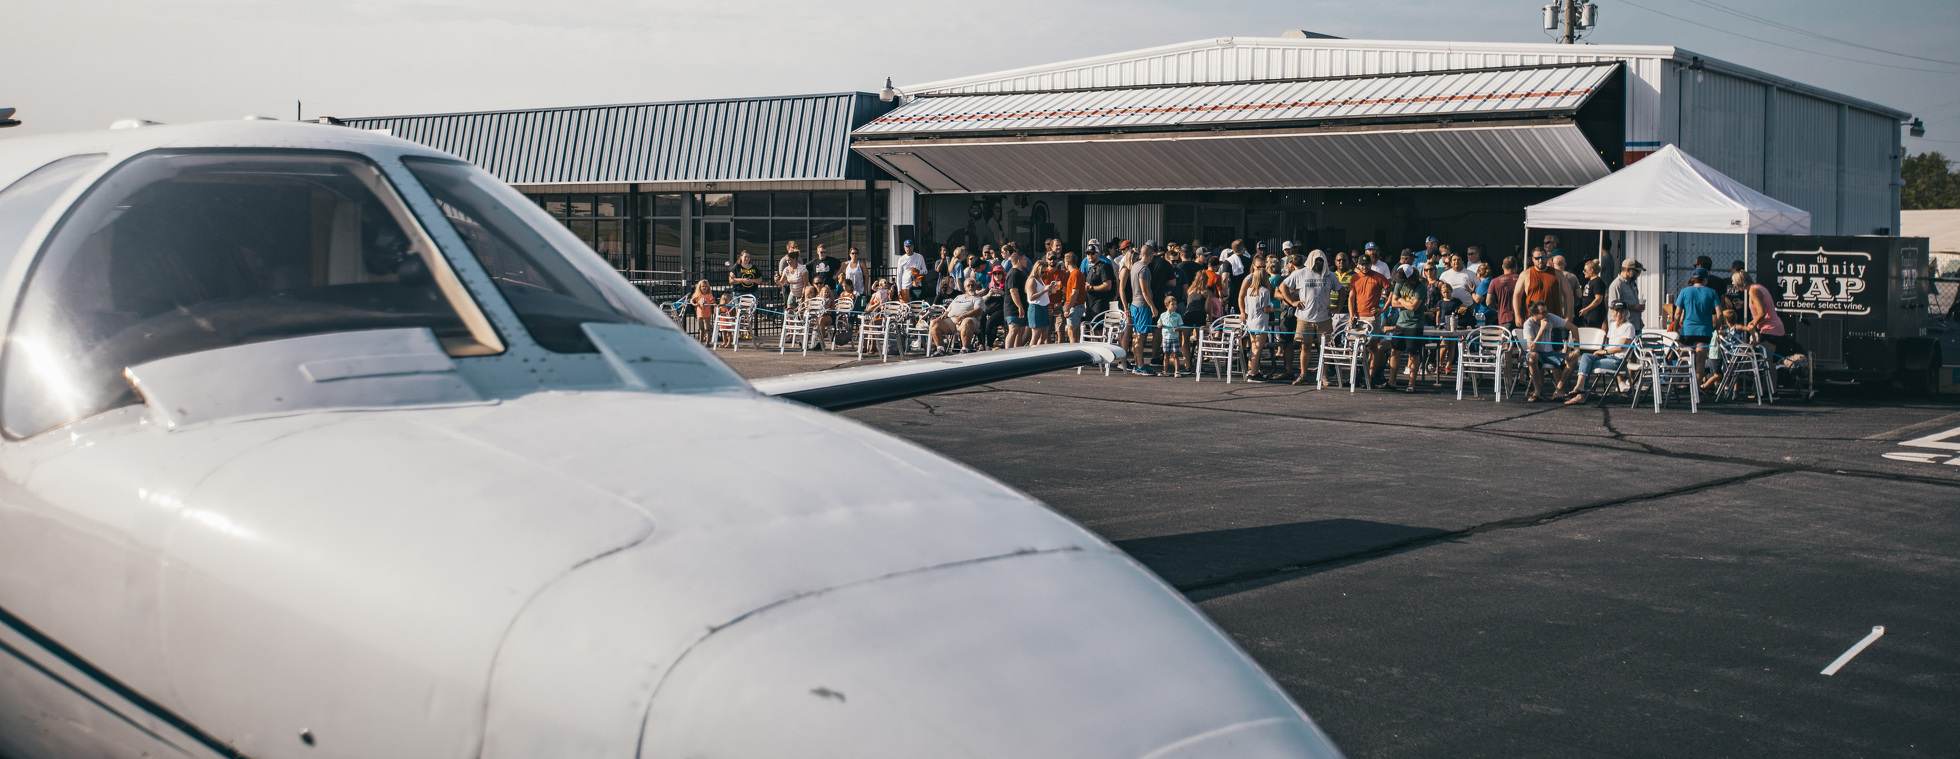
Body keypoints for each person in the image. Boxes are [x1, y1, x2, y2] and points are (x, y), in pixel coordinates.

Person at [1281, 249, 1338, 386]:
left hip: (1324, 317)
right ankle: (1303, 375)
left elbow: (1341, 290)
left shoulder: (1330, 275)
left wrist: (1337, 307)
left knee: (1325, 348)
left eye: (1321, 260)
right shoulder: (1300, 273)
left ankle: (1324, 376)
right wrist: (1292, 302)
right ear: (1310, 260)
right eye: (1316, 260)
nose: (1318, 262)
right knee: (1304, 346)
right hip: (1304, 317)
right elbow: (1283, 286)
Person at [1564, 304, 1637, 405]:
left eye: (1619, 311)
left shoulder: (1629, 327)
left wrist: (1605, 352)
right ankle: (1579, 387)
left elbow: (1621, 347)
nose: (1616, 313)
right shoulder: (1612, 326)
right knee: (1586, 356)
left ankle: (1581, 395)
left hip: (1618, 361)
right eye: (1614, 310)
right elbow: (1608, 344)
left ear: (1625, 313)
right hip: (1607, 356)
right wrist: (1602, 352)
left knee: (1587, 364)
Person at [1735, 269, 1807, 370]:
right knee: (1765, 363)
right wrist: (1754, 322)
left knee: (1768, 362)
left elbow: (1762, 313)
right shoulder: (1758, 287)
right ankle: (1763, 386)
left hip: (1770, 329)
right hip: (1771, 328)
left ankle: (1770, 386)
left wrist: (1752, 325)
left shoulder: (1753, 291)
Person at [1348, 252, 1392, 383]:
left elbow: (1391, 290)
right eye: (1362, 264)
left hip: (1372, 316)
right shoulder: (1355, 278)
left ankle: (1371, 377)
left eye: (1367, 264)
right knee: (1353, 347)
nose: (1364, 267)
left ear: (1370, 264)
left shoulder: (1378, 276)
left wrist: (1383, 308)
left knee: (1372, 347)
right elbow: (1351, 297)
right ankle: (1354, 377)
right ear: (1358, 264)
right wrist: (1351, 315)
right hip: (1357, 316)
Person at [1118, 243, 1161, 375]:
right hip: (1142, 305)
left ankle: (1137, 364)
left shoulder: (1135, 266)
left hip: (1134, 304)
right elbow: (1144, 290)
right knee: (1141, 337)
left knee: (1136, 336)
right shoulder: (1144, 269)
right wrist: (1153, 306)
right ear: (1150, 255)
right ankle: (1140, 366)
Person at [1385, 266, 1428, 392]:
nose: (1401, 282)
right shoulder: (1399, 283)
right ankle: (1391, 381)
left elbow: (1414, 307)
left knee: (1413, 354)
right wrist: (1407, 302)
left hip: (1415, 325)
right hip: (1401, 323)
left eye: (1404, 279)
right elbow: (1393, 302)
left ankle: (1411, 383)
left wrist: (1402, 300)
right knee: (1395, 351)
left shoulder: (1420, 287)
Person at [1520, 301, 1571, 402]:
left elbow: (1572, 327)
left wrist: (1576, 347)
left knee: (1573, 357)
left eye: (1546, 311)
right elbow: (1532, 348)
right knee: (1533, 356)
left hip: (1549, 353)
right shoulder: (1528, 324)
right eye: (1543, 313)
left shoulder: (1550, 317)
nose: (1546, 314)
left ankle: (1558, 390)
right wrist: (1542, 329)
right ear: (1534, 314)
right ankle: (1537, 391)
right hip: (1535, 354)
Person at [1238, 260, 1273, 380]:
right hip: (1261, 323)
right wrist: (1277, 310)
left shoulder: (1249, 290)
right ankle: (1253, 374)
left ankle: (1254, 370)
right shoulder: (1265, 291)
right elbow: (1266, 309)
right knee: (1258, 349)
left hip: (1251, 322)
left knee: (1253, 348)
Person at [931, 281, 987, 353]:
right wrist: (944, 315)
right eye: (968, 285)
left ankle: (965, 349)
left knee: (967, 322)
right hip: (952, 320)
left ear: (976, 287)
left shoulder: (978, 298)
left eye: (972, 285)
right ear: (965, 288)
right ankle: (940, 349)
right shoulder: (958, 297)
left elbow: (978, 311)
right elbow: (948, 310)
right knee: (934, 323)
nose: (970, 287)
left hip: (969, 319)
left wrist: (962, 316)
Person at [1003, 245, 1031, 348]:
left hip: (1022, 307)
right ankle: (1007, 353)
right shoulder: (1013, 273)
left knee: (1021, 330)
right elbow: (1013, 291)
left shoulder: (1021, 273)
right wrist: (1019, 306)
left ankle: (1016, 353)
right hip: (1013, 308)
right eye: (1024, 259)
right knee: (1013, 329)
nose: (1026, 261)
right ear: (1019, 260)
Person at [1609, 259, 1647, 331]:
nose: (1638, 274)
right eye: (1636, 271)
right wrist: (1633, 307)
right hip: (1623, 328)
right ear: (1628, 270)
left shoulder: (1633, 284)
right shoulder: (1616, 285)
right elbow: (1613, 305)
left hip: (1635, 325)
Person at [1026, 257, 1055, 345]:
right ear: (1036, 270)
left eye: (1045, 272)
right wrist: (1044, 291)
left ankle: (1039, 353)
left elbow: (1041, 294)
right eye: (1042, 272)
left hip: (1044, 307)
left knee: (1044, 334)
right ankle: (1031, 355)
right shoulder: (1032, 280)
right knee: (1036, 335)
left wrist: (1049, 291)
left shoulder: (1040, 279)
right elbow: (1031, 297)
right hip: (1036, 308)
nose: (1043, 274)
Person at [1061, 250, 1087, 342]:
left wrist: (1068, 309)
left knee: (1072, 332)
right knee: (1075, 333)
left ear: (1067, 262)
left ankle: (1074, 352)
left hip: (1074, 306)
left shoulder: (1075, 274)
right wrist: (1061, 288)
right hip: (1076, 306)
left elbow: (1075, 293)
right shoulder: (1077, 273)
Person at [1489, 256, 1521, 329]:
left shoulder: (1495, 281)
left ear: (1503, 267)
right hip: (1521, 317)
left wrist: (1498, 309)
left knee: (1506, 339)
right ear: (1516, 266)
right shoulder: (1520, 278)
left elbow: (1489, 302)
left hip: (1504, 318)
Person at [1158, 296, 1186, 378]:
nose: (1175, 306)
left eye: (1175, 304)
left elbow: (1181, 326)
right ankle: (1165, 371)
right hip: (1166, 337)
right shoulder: (1163, 315)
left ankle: (1177, 371)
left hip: (1175, 338)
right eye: (1172, 304)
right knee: (1166, 355)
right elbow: (1159, 323)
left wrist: (1178, 329)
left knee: (1175, 355)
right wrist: (1159, 325)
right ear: (1167, 305)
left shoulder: (1178, 316)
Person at [1574, 259, 1606, 328]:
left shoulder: (1597, 282)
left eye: (1585, 270)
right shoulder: (1589, 282)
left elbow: (1598, 299)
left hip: (1594, 313)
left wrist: (1586, 309)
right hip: (1588, 314)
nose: (1583, 272)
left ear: (1592, 270)